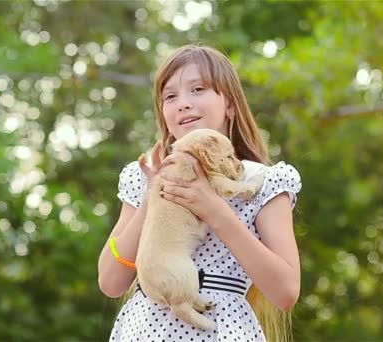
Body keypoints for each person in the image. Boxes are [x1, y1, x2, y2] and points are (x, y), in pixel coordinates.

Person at [97, 44, 302, 342]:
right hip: (145, 330)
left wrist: (215, 211)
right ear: (163, 113)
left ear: (230, 104)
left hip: (222, 329)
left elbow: (285, 292)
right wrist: (154, 195)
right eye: (170, 96)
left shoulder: (261, 182)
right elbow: (111, 281)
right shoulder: (144, 178)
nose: (183, 103)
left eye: (198, 89)